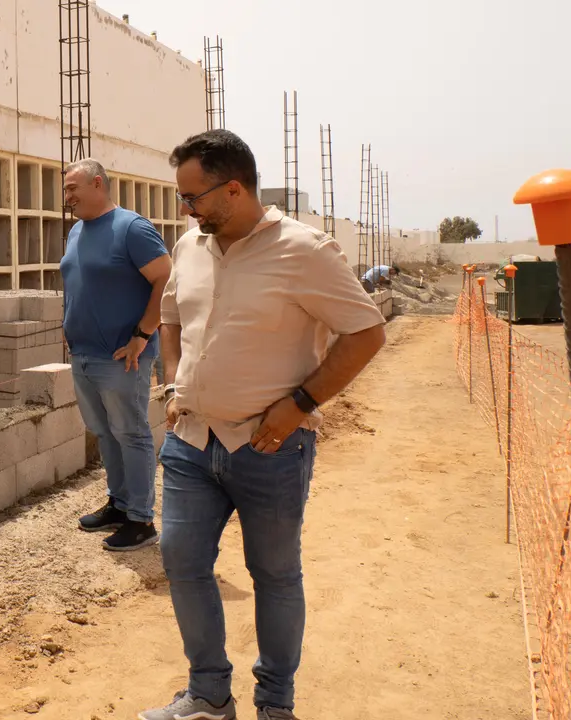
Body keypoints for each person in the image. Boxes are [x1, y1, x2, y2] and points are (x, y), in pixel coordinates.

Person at [140, 129, 386, 720]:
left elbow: (367, 332)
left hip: (268, 447)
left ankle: (275, 704)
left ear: (233, 189)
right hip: (191, 442)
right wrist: (174, 385)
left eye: (192, 196)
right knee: (181, 558)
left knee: (274, 574)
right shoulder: (191, 246)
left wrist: (300, 402)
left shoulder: (306, 251)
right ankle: (208, 694)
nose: (185, 209)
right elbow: (170, 318)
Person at [60, 158, 173, 552]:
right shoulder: (76, 231)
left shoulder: (132, 227)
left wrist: (144, 334)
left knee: (132, 433)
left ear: (97, 184)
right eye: (65, 189)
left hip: (122, 357)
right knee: (106, 433)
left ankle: (141, 520)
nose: (67, 196)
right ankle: (120, 504)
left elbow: (165, 279)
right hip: (84, 354)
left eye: (73, 188)